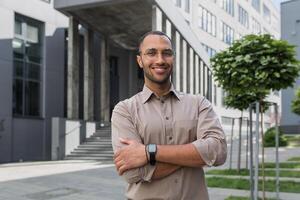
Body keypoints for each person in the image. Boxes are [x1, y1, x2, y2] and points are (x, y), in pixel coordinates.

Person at [111, 30, 227, 200]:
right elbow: (132, 172)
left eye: (167, 53)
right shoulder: (124, 110)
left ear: (173, 58)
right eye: (151, 53)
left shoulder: (198, 103)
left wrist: (149, 152)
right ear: (140, 60)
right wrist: (193, 153)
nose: (160, 60)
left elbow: (218, 151)